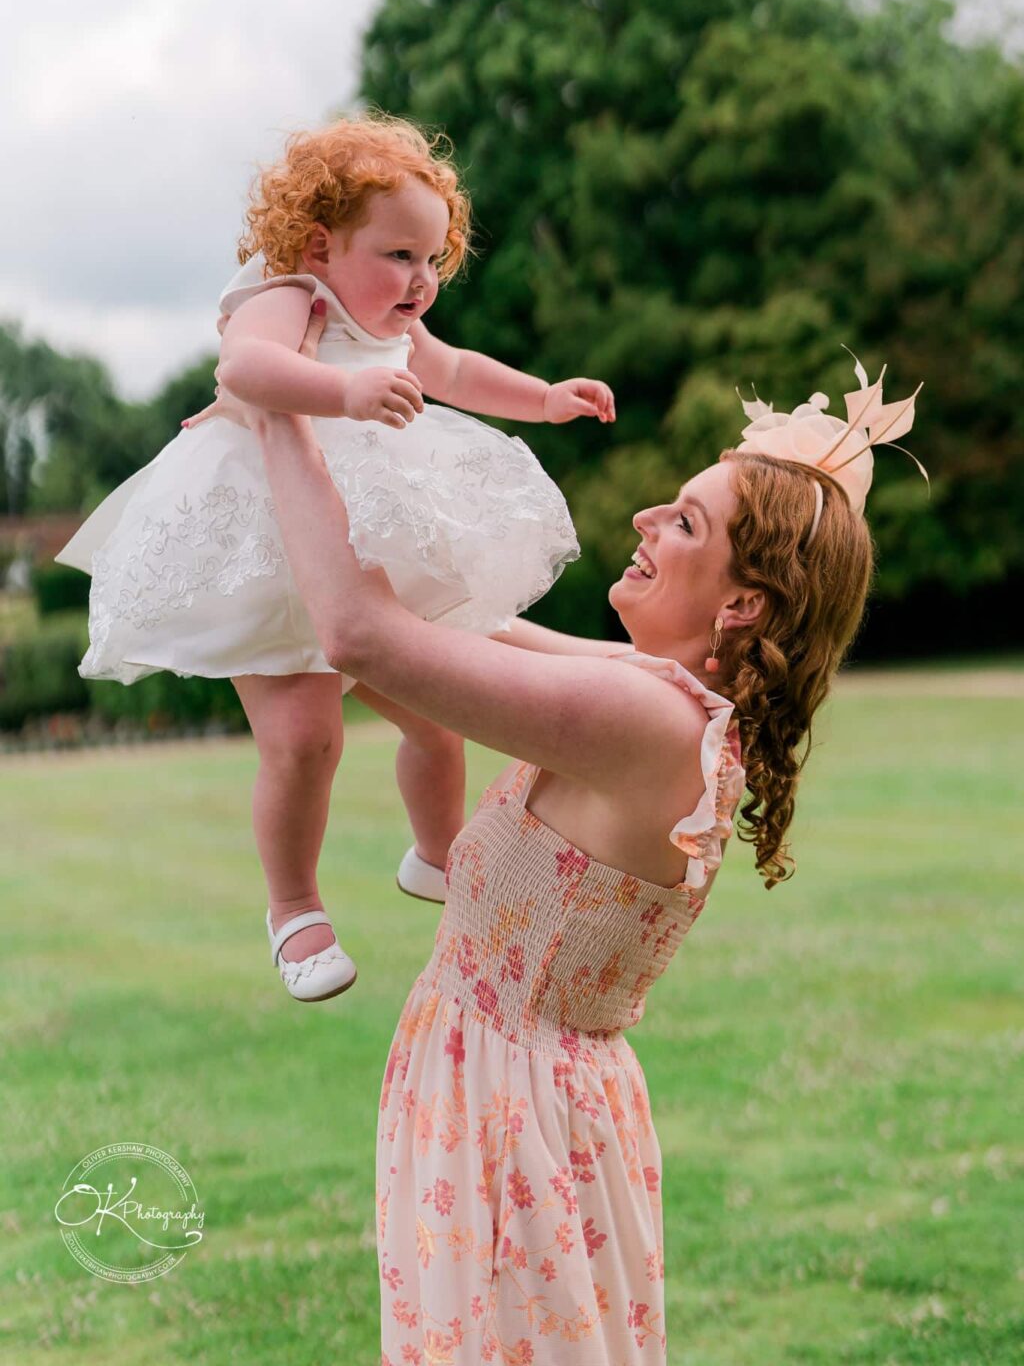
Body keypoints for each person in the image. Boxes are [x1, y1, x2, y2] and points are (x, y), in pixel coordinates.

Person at [228, 301, 922, 1363]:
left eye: (684, 522)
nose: (646, 519)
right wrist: (328, 424)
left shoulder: (647, 721)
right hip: (516, 1100)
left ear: (741, 606)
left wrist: (275, 408)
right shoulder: (653, 693)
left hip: (508, 1122)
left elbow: (362, 637)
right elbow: (455, 625)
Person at [55, 113, 615, 1003]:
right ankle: (294, 907)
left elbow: (456, 372)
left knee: (440, 711)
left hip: (366, 539)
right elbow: (245, 371)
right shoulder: (292, 295)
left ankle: (440, 859)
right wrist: (345, 390)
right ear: (320, 244)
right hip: (266, 536)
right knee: (304, 739)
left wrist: (545, 398)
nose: (422, 281)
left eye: (433, 261)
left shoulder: (393, 323)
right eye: (399, 256)